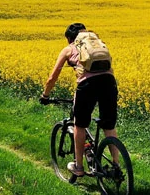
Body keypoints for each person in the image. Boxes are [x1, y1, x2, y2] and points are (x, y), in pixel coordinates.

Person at [40, 22, 119, 177]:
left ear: (69, 38)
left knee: (80, 124)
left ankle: (79, 166)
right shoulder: (98, 44)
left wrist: (45, 95)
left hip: (87, 86)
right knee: (108, 125)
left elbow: (52, 77)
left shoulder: (69, 48)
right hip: (109, 83)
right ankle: (116, 165)